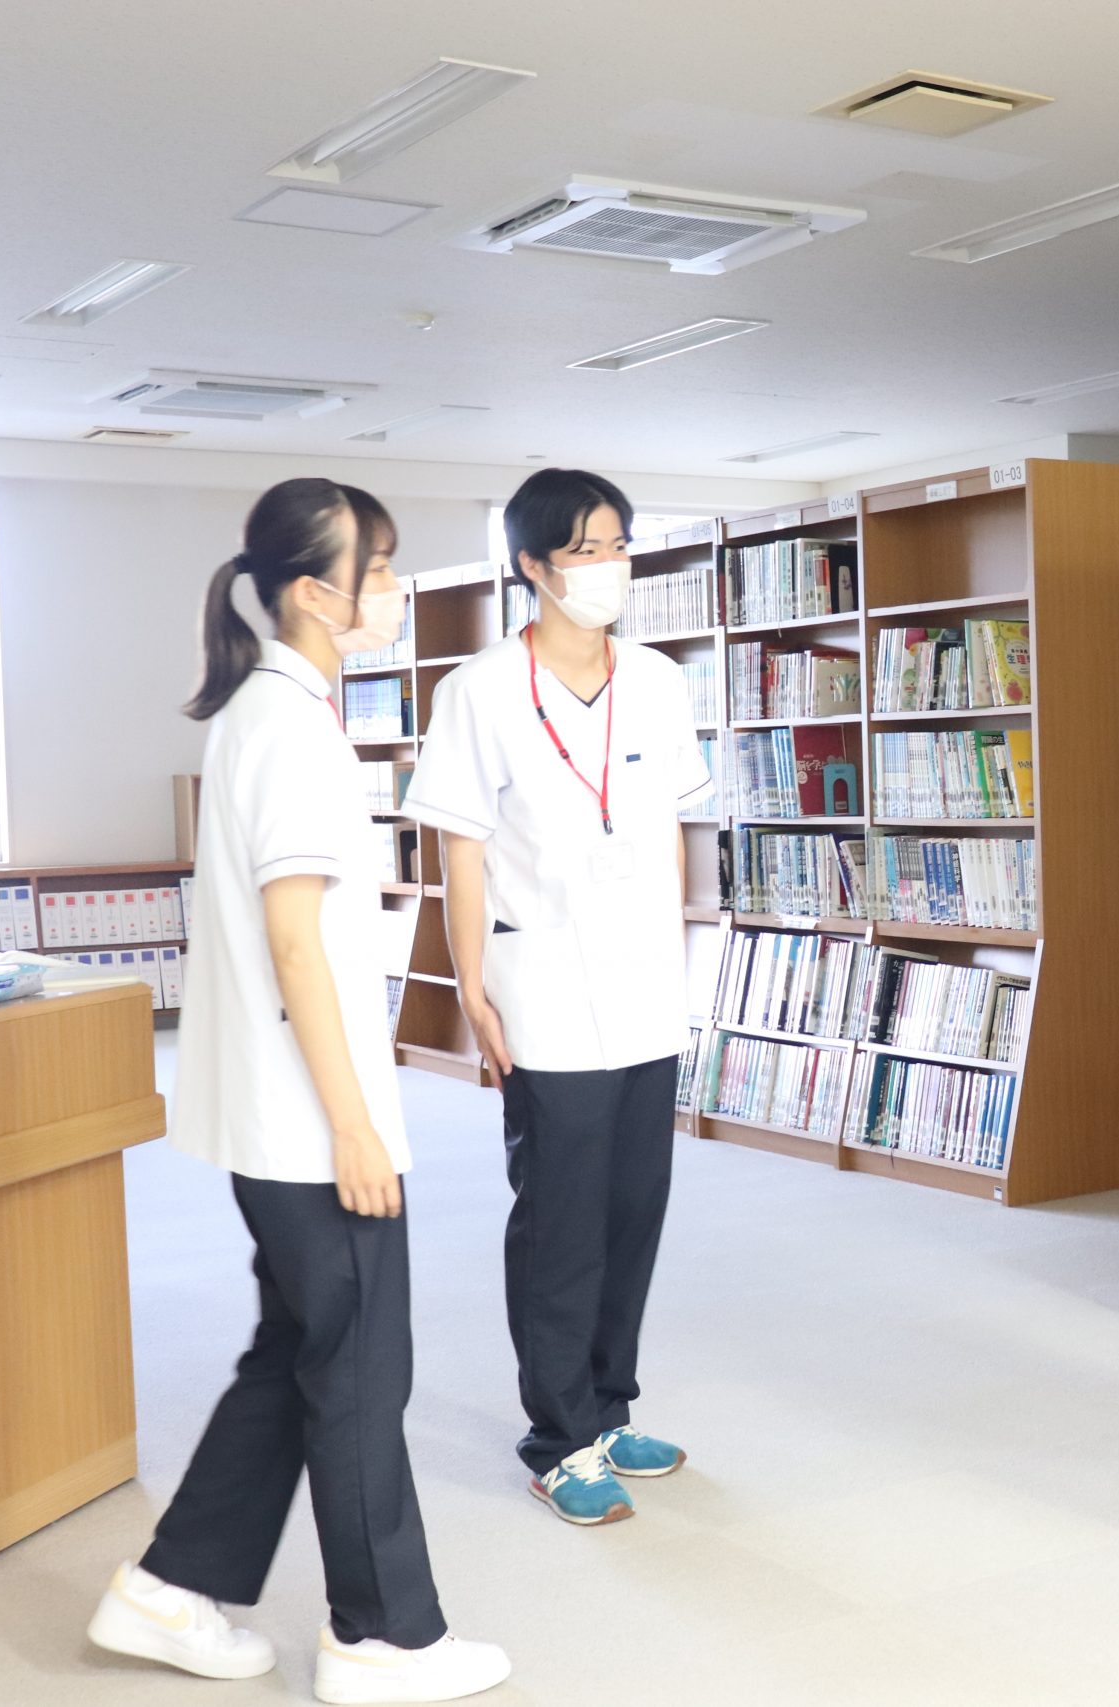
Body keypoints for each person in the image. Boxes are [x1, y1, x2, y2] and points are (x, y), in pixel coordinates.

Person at [87, 478, 511, 1703]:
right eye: (378, 570)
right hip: (311, 1125)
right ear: (317, 593)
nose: (394, 588)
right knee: (364, 1366)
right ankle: (381, 1639)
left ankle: (169, 1590)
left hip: (280, 1118)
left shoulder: (274, 712)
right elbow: (293, 947)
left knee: (302, 1350)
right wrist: (357, 1129)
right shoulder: (288, 728)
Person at [403, 469, 710, 1526]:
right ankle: (557, 1437)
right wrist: (473, 987)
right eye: (584, 549)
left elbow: (671, 830)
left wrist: (679, 953)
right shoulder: (480, 690)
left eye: (619, 544)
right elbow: (461, 850)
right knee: (561, 1221)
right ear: (532, 565)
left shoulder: (658, 680)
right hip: (539, 984)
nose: (608, 566)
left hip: (645, 986)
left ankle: (610, 1409)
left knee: (633, 1211)